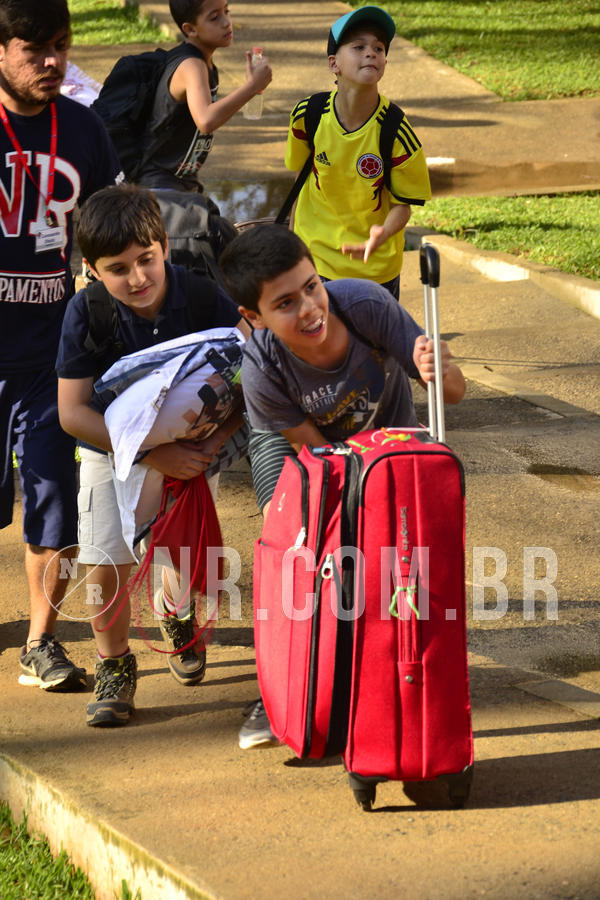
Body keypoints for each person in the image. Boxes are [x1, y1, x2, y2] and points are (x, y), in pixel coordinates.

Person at [219, 223, 465, 748]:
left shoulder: (366, 305)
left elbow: (454, 394)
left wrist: (439, 369)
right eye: (285, 303)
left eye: (312, 286)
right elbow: (323, 468)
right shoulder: (262, 368)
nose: (310, 308)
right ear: (253, 317)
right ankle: (282, 688)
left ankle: (392, 666)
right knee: (297, 551)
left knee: (399, 559)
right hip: (302, 452)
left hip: (388, 445)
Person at [56, 183, 250, 726]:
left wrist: (212, 443)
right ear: (92, 270)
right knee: (105, 559)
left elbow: (252, 376)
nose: (138, 278)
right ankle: (114, 664)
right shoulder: (87, 312)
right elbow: (72, 412)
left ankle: (176, 611)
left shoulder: (204, 297)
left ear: (164, 245)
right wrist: (151, 454)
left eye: (146, 259)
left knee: (180, 557)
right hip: (110, 448)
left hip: (191, 448)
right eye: (118, 269)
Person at [0, 0, 123, 692]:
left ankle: (40, 642)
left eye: (62, 46)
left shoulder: (82, 128)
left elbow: (113, 230)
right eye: (33, 50)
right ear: (0, 50)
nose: (52, 62)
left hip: (53, 358)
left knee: (55, 505)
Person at [285, 5, 431, 299]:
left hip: (374, 268)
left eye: (379, 48)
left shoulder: (395, 130)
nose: (371, 53)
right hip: (315, 259)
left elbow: (403, 205)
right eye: (358, 46)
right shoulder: (308, 115)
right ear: (334, 64)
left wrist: (383, 233)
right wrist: (291, 242)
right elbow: (301, 177)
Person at [137, 0, 272, 192]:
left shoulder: (204, 63)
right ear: (190, 29)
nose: (226, 22)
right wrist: (251, 87)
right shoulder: (191, 65)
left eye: (227, 11)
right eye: (215, 17)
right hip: (158, 184)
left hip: (181, 180)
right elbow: (206, 120)